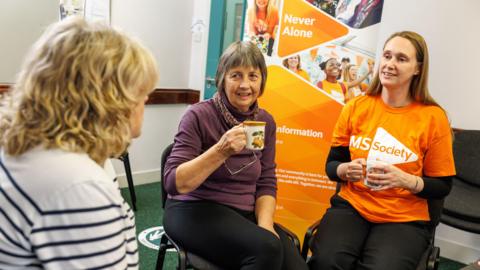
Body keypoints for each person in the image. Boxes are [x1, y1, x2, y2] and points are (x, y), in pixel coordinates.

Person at [0, 17, 158, 269]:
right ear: (109, 101)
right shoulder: (79, 189)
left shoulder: (32, 148)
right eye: (140, 91)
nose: (147, 99)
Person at [308, 31, 455, 270]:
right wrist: (347, 169)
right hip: (353, 206)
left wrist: (406, 180)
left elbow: (442, 186)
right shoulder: (356, 107)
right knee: (326, 262)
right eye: (387, 56)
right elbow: (332, 166)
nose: (390, 64)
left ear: (418, 68)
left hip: (404, 218)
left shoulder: (433, 118)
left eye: (401, 58)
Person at [163, 41, 308, 270]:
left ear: (262, 81)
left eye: (253, 76)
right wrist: (222, 150)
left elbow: (267, 181)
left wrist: (266, 225)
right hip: (193, 208)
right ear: (222, 78)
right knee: (266, 251)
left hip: (243, 213)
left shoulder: (265, 122)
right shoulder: (198, 115)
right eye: (236, 75)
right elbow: (173, 183)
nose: (245, 85)